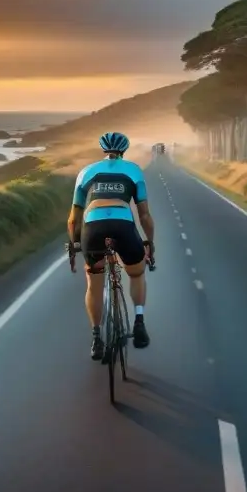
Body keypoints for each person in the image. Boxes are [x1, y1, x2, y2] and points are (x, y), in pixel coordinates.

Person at [67, 131, 155, 360]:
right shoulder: (134, 171)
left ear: (103, 150)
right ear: (124, 150)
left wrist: (76, 245)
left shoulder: (85, 172)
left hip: (92, 227)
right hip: (123, 226)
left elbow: (73, 219)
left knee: (93, 284)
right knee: (136, 273)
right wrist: (150, 243)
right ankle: (139, 322)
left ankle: (96, 338)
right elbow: (144, 215)